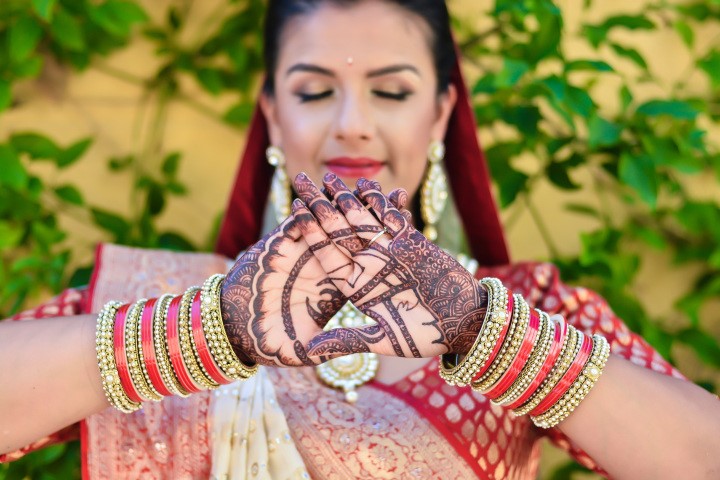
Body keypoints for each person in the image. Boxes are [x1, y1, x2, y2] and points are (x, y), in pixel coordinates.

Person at [1, 0, 719, 478]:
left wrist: (490, 335)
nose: (350, 122)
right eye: (314, 91)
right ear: (272, 115)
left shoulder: (529, 310)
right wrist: (205, 330)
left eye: (392, 91)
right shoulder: (163, 300)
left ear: (441, 114)